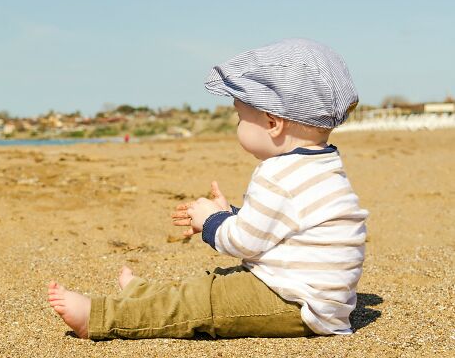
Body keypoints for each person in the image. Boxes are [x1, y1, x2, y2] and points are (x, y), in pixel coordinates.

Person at [47, 38, 368, 339]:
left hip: (297, 303)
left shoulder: (277, 173)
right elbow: (283, 226)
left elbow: (244, 243)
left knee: (203, 301)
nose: (237, 125)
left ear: (273, 123)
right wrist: (231, 214)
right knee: (214, 282)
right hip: (318, 298)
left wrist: (211, 222)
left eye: (241, 117)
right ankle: (144, 294)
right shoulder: (322, 165)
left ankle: (101, 317)